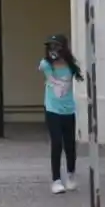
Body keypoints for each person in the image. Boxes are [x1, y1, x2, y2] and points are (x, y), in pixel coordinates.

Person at [40, 34, 82, 194]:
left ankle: (71, 175)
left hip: (68, 109)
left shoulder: (70, 66)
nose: (53, 50)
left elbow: (77, 73)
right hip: (52, 109)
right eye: (51, 47)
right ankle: (56, 179)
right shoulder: (46, 65)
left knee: (70, 144)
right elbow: (42, 67)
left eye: (56, 46)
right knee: (56, 143)